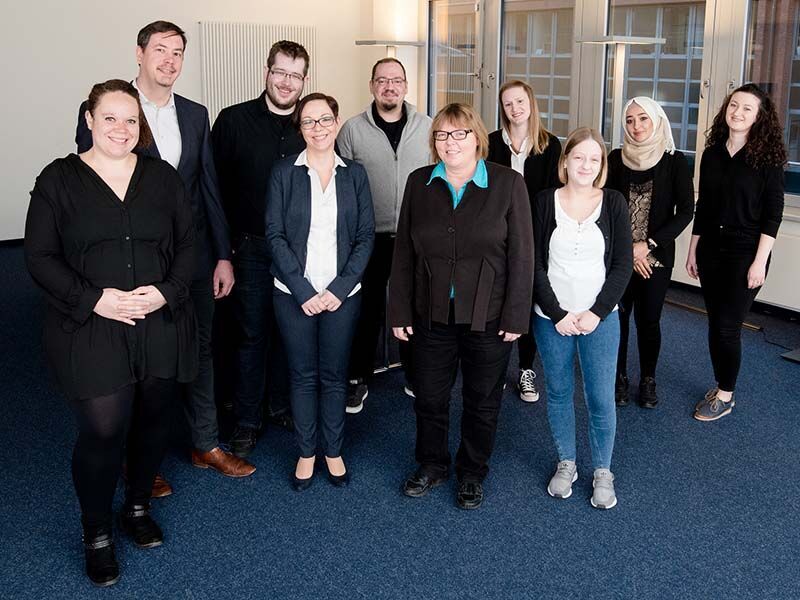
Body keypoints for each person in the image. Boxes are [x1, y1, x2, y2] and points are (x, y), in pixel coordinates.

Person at [26, 80, 197, 586]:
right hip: (91, 323)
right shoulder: (58, 179)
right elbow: (39, 257)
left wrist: (166, 291)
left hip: (157, 319)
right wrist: (94, 299)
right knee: (104, 428)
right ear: (89, 119)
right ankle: (96, 531)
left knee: (154, 418)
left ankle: (138, 506)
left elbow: (189, 244)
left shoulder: (161, 177)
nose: (121, 129)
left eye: (130, 120)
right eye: (110, 118)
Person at [75, 21, 253, 485]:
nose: (169, 60)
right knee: (141, 359)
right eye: (160, 50)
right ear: (139, 54)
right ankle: (140, 461)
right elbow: (90, 188)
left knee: (200, 348)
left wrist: (222, 255)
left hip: (193, 255)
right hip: (137, 259)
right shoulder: (113, 109)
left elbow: (208, 186)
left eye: (177, 52)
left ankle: (205, 443)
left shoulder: (195, 114)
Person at [389, 103, 533, 510]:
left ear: (477, 138)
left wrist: (516, 315)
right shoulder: (419, 183)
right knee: (429, 397)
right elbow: (404, 253)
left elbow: (523, 255)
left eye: (459, 134)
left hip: (490, 315)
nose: (449, 142)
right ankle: (432, 464)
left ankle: (472, 472)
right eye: (441, 135)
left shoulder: (508, 184)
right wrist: (399, 310)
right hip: (430, 314)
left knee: (482, 400)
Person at [266, 93, 375, 490]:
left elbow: (365, 236)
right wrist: (303, 290)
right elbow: (274, 234)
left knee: (334, 375)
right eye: (309, 121)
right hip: (293, 293)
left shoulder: (355, 174)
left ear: (336, 122)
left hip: (342, 294)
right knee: (302, 376)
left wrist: (339, 289)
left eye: (325, 119)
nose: (318, 128)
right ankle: (306, 451)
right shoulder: (284, 172)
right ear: (300, 129)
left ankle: (333, 450)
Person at [212, 40, 308, 457]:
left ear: (304, 80)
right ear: (267, 72)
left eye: (295, 75)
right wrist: (222, 252)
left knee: (290, 332)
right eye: (280, 72)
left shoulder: (311, 125)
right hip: (249, 247)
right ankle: (247, 420)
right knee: (251, 334)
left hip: (297, 251)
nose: (286, 82)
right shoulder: (233, 121)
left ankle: (280, 405)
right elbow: (213, 192)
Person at [532, 127, 632, 509]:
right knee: (558, 393)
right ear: (565, 161)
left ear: (601, 165)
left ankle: (603, 471)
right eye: (579, 157)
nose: (586, 165)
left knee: (600, 397)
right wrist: (556, 313)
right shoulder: (545, 201)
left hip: (600, 319)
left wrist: (596, 313)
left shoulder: (614, 202)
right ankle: (567, 462)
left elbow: (622, 266)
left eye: (594, 159)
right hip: (551, 318)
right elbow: (534, 264)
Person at [337, 57, 431, 414]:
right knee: (367, 310)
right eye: (382, 80)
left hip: (414, 236)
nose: (389, 86)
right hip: (369, 236)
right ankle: (357, 378)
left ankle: (414, 374)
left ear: (405, 86)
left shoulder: (427, 126)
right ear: (372, 86)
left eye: (396, 80)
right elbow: (343, 186)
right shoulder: (352, 130)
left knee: (414, 308)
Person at [687, 83, 786, 421]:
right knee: (716, 323)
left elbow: (773, 215)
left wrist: (760, 262)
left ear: (759, 117)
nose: (738, 112)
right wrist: (693, 250)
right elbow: (704, 207)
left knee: (728, 326)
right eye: (733, 105)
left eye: (747, 108)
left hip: (746, 254)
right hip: (711, 250)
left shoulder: (768, 159)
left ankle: (726, 396)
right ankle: (721, 384)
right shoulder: (712, 154)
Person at [605, 97, 694, 408]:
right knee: (617, 319)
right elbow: (605, 208)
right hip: (619, 256)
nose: (636, 126)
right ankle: (618, 377)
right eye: (629, 120)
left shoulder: (674, 161)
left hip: (655, 257)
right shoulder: (615, 159)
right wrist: (628, 251)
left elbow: (686, 211)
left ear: (656, 120)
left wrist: (648, 246)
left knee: (649, 321)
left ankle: (648, 378)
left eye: (643, 118)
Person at [487, 80, 561, 403]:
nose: (515, 109)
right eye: (508, 104)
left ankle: (526, 368)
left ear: (531, 103)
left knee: (527, 303)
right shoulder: (491, 143)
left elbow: (552, 196)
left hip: (534, 236)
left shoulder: (550, 145)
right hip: (497, 235)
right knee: (496, 299)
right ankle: (496, 368)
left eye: (520, 102)